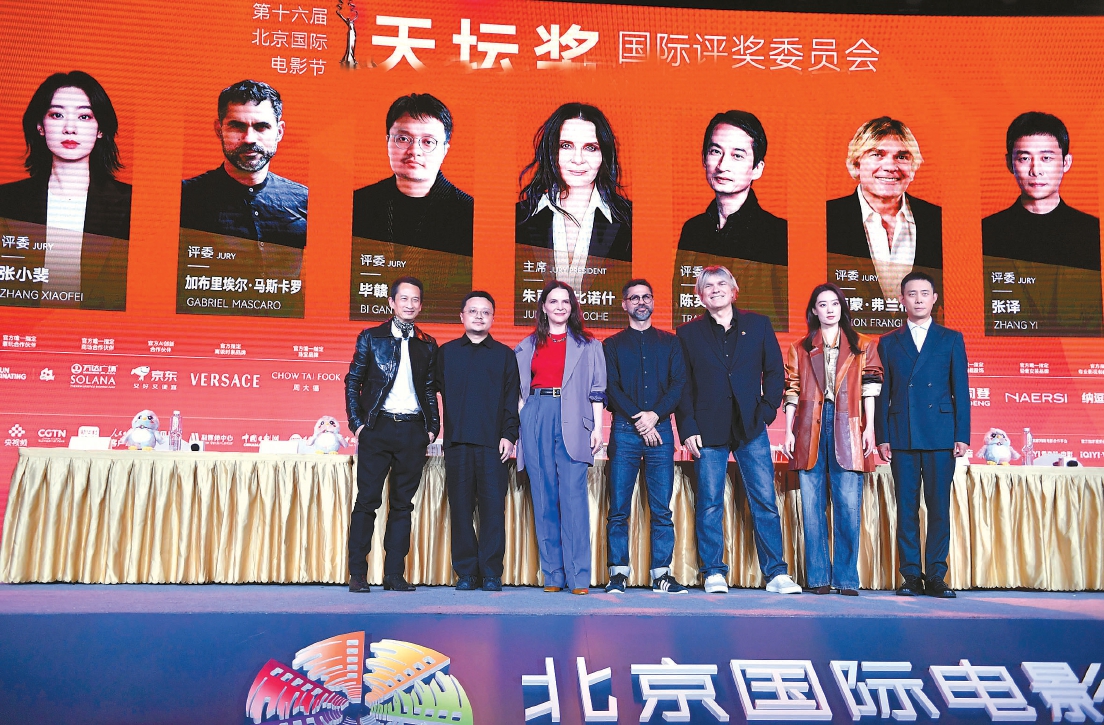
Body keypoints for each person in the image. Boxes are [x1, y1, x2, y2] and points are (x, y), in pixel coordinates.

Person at [675, 265, 801, 595]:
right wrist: (687, 427)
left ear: (734, 291)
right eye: (708, 286)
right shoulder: (687, 333)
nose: (715, 289)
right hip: (707, 428)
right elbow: (683, 384)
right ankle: (713, 571)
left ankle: (776, 573)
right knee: (709, 503)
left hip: (751, 426)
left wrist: (768, 411)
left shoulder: (758, 324)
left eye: (722, 284)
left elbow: (774, 372)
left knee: (765, 501)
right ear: (699, 296)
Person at [782, 283, 883, 596]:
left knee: (848, 506)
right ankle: (818, 578)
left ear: (842, 308)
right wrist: (788, 430)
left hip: (848, 424)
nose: (829, 309)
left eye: (834, 304)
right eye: (822, 304)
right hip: (809, 427)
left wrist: (869, 428)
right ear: (814, 310)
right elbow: (792, 389)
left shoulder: (863, 345)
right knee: (812, 508)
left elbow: (869, 388)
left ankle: (846, 579)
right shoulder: (799, 347)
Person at [0, 70, 130, 309]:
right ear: (40, 126)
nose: (70, 128)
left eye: (84, 116)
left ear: (100, 129)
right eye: (57, 114)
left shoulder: (132, 204)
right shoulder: (6, 200)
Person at [875, 271, 969, 599]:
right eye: (911, 294)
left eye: (924, 293)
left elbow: (961, 390)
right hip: (902, 432)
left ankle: (937, 575)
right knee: (907, 508)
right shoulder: (888, 342)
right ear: (902, 299)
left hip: (941, 433)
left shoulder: (951, 338)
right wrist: (882, 435)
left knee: (939, 507)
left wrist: (962, 434)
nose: (918, 299)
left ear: (934, 299)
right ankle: (911, 575)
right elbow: (883, 393)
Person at [344, 276, 440, 593]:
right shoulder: (372, 337)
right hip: (377, 428)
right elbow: (353, 381)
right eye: (404, 299)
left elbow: (429, 389)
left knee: (402, 506)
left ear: (421, 305)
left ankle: (394, 574)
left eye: (415, 300)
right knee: (367, 502)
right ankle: (357, 574)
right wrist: (358, 424)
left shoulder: (427, 344)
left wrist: (432, 428)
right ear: (392, 302)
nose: (410, 305)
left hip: (413, 431)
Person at [515, 281, 607, 595]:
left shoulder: (589, 345)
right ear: (543, 307)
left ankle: (579, 577)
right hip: (537, 415)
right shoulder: (526, 346)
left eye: (565, 302)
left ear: (572, 307)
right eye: (553, 301)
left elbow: (597, 391)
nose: (559, 307)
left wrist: (598, 428)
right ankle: (553, 575)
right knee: (543, 498)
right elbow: (519, 391)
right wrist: (523, 420)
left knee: (573, 499)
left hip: (575, 420)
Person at [603, 279, 688, 594]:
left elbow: (678, 384)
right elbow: (611, 387)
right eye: (634, 297)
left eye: (646, 297)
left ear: (653, 302)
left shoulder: (671, 343)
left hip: (661, 431)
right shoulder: (611, 345)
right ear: (624, 304)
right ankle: (618, 574)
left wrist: (654, 416)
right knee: (618, 508)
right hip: (625, 432)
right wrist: (641, 420)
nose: (641, 302)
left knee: (662, 509)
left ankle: (661, 575)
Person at [982, 112, 1101, 335]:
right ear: (1009, 163)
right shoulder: (986, 233)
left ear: (1066, 162)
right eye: (1024, 158)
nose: (1035, 170)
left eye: (1046, 158)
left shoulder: (1093, 232)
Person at [436, 291, 520, 592]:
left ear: (493, 318)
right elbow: (431, 394)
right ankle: (466, 573)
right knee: (460, 510)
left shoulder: (504, 355)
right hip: (457, 443)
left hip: (493, 445)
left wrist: (509, 435)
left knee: (493, 511)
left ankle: (491, 573)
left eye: (486, 312)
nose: (479, 316)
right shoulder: (446, 353)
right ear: (462, 316)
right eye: (473, 311)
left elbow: (512, 400)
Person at [516, 103, 631, 292]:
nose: (578, 159)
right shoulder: (519, 217)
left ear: (604, 154)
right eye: (566, 146)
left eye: (590, 148)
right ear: (551, 151)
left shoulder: (629, 218)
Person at [180, 80, 308, 248]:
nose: (249, 139)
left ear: (279, 132)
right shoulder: (184, 198)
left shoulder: (305, 200)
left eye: (261, 127)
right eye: (237, 126)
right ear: (219, 130)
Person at [827, 117, 942, 302]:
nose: (890, 167)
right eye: (877, 154)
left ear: (913, 167)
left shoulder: (938, 220)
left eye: (902, 157)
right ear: (857, 163)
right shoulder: (826, 219)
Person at [352, 93, 474, 256]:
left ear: (445, 150)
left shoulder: (469, 213)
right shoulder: (358, 204)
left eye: (428, 142)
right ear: (388, 142)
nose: (414, 151)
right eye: (403, 139)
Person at [677, 110, 786, 265]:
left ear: (757, 169)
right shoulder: (693, 230)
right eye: (716, 151)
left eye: (737, 156)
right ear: (704, 159)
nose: (722, 166)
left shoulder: (778, 234)